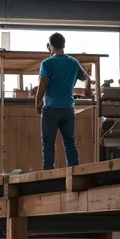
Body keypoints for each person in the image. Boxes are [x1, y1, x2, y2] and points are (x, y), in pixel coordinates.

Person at [35, 33, 91, 170]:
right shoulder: (73, 62)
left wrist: (37, 101)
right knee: (70, 143)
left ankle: (48, 175)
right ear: (64, 45)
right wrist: (87, 90)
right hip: (68, 108)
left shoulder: (47, 63)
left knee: (48, 144)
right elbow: (86, 77)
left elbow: (43, 83)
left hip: (51, 108)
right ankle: (75, 173)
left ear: (50, 46)